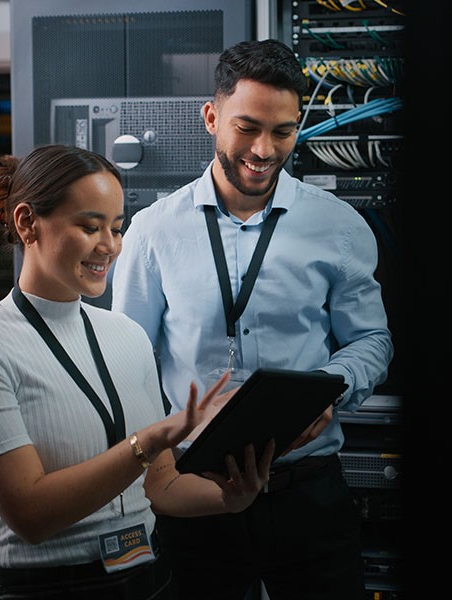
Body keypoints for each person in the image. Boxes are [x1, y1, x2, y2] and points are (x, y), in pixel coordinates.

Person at [111, 39, 394, 600]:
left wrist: (331, 393)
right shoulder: (152, 230)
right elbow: (130, 363)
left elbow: (371, 340)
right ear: (212, 117)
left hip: (307, 490)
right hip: (193, 490)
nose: (264, 149)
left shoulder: (339, 226)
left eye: (283, 131)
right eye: (247, 127)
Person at [0, 143, 273, 600]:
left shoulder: (127, 335)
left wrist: (228, 499)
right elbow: (31, 516)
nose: (110, 246)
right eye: (89, 226)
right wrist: (152, 439)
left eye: (117, 228)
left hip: (148, 577)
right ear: (26, 223)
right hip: (47, 587)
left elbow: (160, 486)